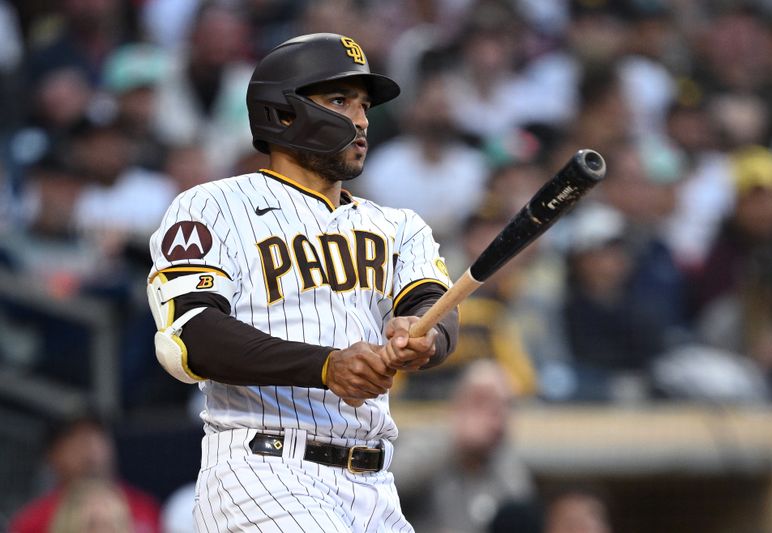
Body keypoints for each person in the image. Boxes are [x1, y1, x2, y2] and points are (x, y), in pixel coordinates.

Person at [146, 33, 459, 532]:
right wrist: (326, 366)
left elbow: (433, 303)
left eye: (364, 106)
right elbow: (190, 336)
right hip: (264, 469)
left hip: (375, 485)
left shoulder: (398, 224)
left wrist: (423, 335)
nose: (360, 120)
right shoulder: (211, 205)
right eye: (340, 101)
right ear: (283, 113)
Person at [391, 360, 536, 533]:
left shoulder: (507, 464)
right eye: (481, 402)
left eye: (505, 405)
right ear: (459, 404)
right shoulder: (427, 444)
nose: (496, 415)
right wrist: (456, 440)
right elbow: (387, 488)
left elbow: (521, 516)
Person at [8, 415, 160, 533]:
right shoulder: (32, 521)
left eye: (96, 437)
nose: (90, 451)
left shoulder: (145, 507)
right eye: (78, 441)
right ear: (53, 454)